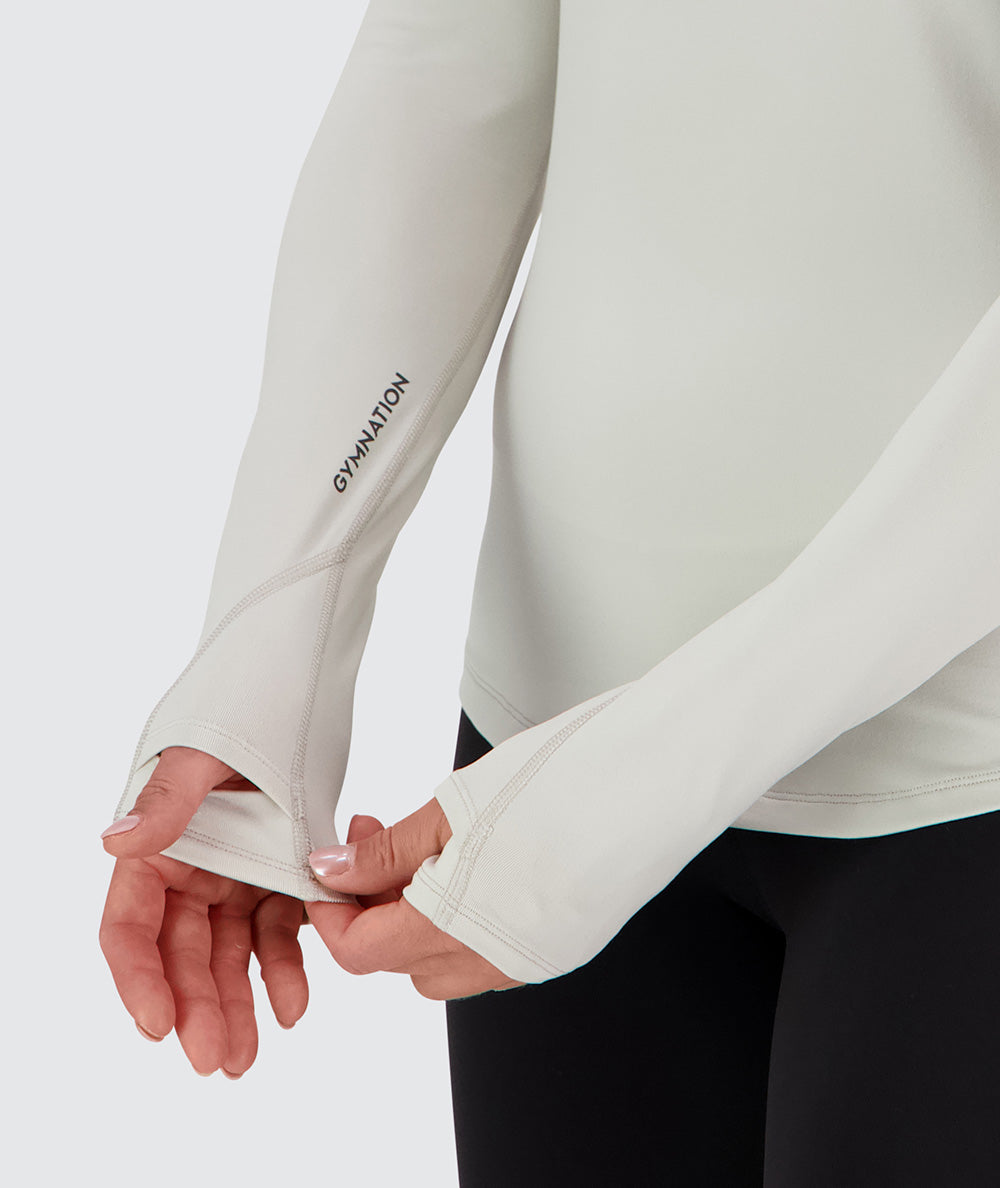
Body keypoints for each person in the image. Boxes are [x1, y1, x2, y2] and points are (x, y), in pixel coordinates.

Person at [100, 2, 1000, 1183]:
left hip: (954, 793)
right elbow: (445, 69)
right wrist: (268, 647)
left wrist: (625, 794)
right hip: (533, 789)